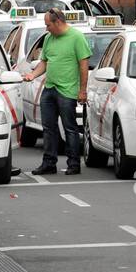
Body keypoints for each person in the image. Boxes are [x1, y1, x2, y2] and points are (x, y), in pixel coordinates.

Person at [23, 9, 92, 175]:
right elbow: (44, 62)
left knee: (70, 128)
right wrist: (33, 74)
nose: (46, 29)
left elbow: (84, 65)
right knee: (48, 128)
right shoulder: (49, 38)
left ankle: (74, 164)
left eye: (48, 25)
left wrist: (82, 90)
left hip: (67, 91)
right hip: (49, 89)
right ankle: (49, 163)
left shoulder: (76, 37)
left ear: (58, 22)